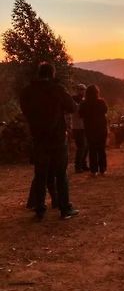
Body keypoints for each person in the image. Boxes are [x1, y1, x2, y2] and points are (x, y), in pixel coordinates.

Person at [20, 62, 79, 220]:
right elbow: (72, 107)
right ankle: (64, 209)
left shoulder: (27, 91)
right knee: (61, 174)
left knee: (40, 175)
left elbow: (25, 110)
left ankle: (40, 210)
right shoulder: (57, 89)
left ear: (39, 73)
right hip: (58, 139)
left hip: (39, 139)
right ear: (52, 74)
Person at [79, 85, 108, 176]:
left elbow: (80, 115)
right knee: (101, 149)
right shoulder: (101, 102)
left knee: (92, 149)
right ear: (97, 93)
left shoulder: (84, 103)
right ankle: (102, 169)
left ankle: (93, 170)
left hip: (89, 129)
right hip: (101, 129)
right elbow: (105, 111)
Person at [71, 83, 89, 173]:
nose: (82, 91)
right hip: (77, 127)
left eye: (83, 89)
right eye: (81, 89)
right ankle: (78, 166)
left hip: (84, 126)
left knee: (86, 147)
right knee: (81, 147)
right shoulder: (73, 99)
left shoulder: (84, 100)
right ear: (77, 90)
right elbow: (75, 110)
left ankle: (83, 164)